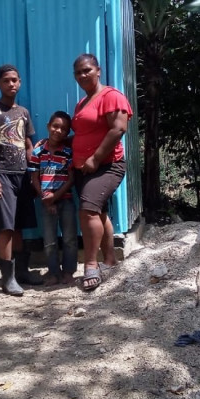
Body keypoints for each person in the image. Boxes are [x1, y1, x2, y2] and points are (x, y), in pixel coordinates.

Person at [71, 53, 132, 291]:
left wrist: (95, 158)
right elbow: (85, 133)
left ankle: (91, 265)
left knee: (87, 211)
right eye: (78, 72)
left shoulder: (111, 96)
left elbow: (118, 129)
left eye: (87, 70)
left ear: (98, 70)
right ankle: (110, 260)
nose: (83, 75)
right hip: (83, 167)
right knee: (99, 212)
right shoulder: (83, 102)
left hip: (106, 165)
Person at [0, 64, 43, 296]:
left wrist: (35, 174)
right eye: (6, 80)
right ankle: (7, 279)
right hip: (3, 175)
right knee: (6, 226)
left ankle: (22, 271)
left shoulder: (23, 113)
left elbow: (28, 145)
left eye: (15, 80)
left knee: (19, 225)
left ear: (20, 83)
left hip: (23, 174)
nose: (11, 84)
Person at [29, 111, 78, 286]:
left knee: (69, 239)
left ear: (66, 134)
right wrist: (45, 197)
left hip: (65, 199)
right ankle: (53, 272)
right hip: (45, 202)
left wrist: (55, 197)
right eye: (55, 126)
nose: (58, 131)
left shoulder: (67, 152)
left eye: (63, 129)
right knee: (49, 241)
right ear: (48, 126)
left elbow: (71, 179)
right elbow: (34, 178)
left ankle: (68, 272)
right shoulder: (38, 151)